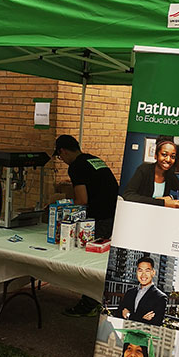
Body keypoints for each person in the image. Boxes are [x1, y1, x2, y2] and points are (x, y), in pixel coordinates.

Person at [54, 134, 119, 317]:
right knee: (101, 260)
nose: (62, 161)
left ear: (63, 151)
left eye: (60, 157)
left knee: (89, 262)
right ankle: (97, 300)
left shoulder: (76, 166)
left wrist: (64, 209)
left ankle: (89, 304)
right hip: (114, 213)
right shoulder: (94, 160)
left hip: (98, 218)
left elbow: (81, 200)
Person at [122, 136, 179, 208]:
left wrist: (171, 197)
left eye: (172, 157)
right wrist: (163, 203)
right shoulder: (144, 169)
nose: (168, 159)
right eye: (164, 154)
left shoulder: (170, 175)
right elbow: (128, 195)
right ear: (156, 155)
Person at [116, 256, 168, 327]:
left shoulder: (160, 297)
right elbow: (119, 314)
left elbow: (155, 324)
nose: (143, 275)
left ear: (153, 273)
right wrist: (142, 318)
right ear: (136, 272)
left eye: (147, 271)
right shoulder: (129, 293)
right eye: (140, 270)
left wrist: (129, 315)